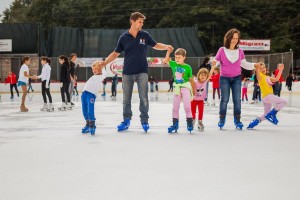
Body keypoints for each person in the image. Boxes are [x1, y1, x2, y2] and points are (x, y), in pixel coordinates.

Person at [99, 12, 173, 132]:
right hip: (127, 72)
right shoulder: (123, 38)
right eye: (140, 21)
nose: (142, 24)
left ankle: (144, 121)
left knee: (144, 98)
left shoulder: (145, 35)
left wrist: (166, 47)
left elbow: (155, 45)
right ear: (132, 21)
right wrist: (105, 62)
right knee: (126, 99)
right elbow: (115, 53)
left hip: (142, 71)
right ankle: (126, 121)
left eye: (142, 22)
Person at [213, 28, 259, 129]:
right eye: (233, 38)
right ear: (228, 38)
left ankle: (237, 120)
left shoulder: (240, 51)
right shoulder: (222, 50)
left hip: (237, 78)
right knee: (224, 99)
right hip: (224, 78)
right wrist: (213, 63)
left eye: (236, 38)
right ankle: (222, 119)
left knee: (237, 100)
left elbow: (244, 64)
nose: (234, 40)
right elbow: (215, 62)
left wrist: (255, 65)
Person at [164, 48, 195, 133]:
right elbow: (165, 61)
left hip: (185, 87)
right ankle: (175, 124)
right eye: (176, 57)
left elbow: (191, 79)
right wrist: (168, 52)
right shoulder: (173, 64)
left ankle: (189, 123)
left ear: (184, 57)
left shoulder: (188, 67)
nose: (177, 59)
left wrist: (194, 90)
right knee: (175, 107)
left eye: (179, 57)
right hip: (177, 88)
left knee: (187, 107)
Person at [247, 63, 287, 129]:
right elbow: (258, 76)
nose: (263, 69)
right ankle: (273, 113)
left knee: (266, 115)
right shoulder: (260, 77)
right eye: (261, 68)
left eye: (263, 67)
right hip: (268, 96)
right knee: (284, 102)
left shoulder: (268, 77)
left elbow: (276, 79)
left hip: (266, 98)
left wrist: (280, 70)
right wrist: (257, 68)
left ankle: (254, 122)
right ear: (258, 70)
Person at [81, 60, 107, 135]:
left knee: (90, 110)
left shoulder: (101, 76)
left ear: (100, 69)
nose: (94, 70)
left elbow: (105, 74)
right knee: (84, 110)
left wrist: (102, 67)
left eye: (96, 68)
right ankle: (88, 124)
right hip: (84, 94)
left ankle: (92, 125)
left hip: (91, 95)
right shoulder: (93, 76)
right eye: (93, 69)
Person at [191, 65, 215, 131]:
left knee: (201, 112)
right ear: (198, 75)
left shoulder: (205, 82)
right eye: (201, 75)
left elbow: (210, 74)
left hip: (201, 100)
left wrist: (213, 66)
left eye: (204, 75)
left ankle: (200, 122)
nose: (203, 76)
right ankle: (192, 121)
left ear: (206, 77)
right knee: (193, 112)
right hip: (193, 100)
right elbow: (190, 80)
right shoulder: (195, 81)